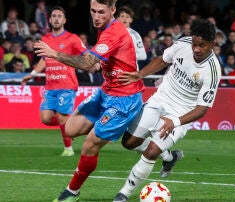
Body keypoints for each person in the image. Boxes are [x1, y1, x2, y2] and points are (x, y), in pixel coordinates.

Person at [32, 1, 144, 201]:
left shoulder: (114, 32)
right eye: (93, 11)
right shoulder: (103, 27)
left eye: (101, 12)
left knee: (89, 145)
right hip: (106, 92)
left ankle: (71, 191)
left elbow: (86, 62)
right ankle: (124, 129)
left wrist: (54, 53)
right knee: (70, 129)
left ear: (113, 10)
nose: (96, 16)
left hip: (123, 99)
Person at [113, 19, 221, 202]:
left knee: (152, 151)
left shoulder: (212, 70)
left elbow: (202, 109)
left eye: (202, 45)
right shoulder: (183, 44)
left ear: (212, 44)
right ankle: (169, 157)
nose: (196, 49)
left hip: (181, 113)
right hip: (160, 99)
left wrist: (175, 122)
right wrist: (140, 74)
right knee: (129, 142)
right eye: (195, 44)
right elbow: (163, 60)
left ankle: (123, 193)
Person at [21, 6, 87, 157]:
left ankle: (68, 149)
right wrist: (32, 74)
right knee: (45, 118)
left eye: (59, 16)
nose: (56, 18)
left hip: (67, 85)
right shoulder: (46, 39)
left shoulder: (73, 39)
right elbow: (45, 60)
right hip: (50, 86)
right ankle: (73, 126)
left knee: (62, 117)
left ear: (64, 20)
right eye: (54, 16)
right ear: (50, 20)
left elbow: (87, 56)